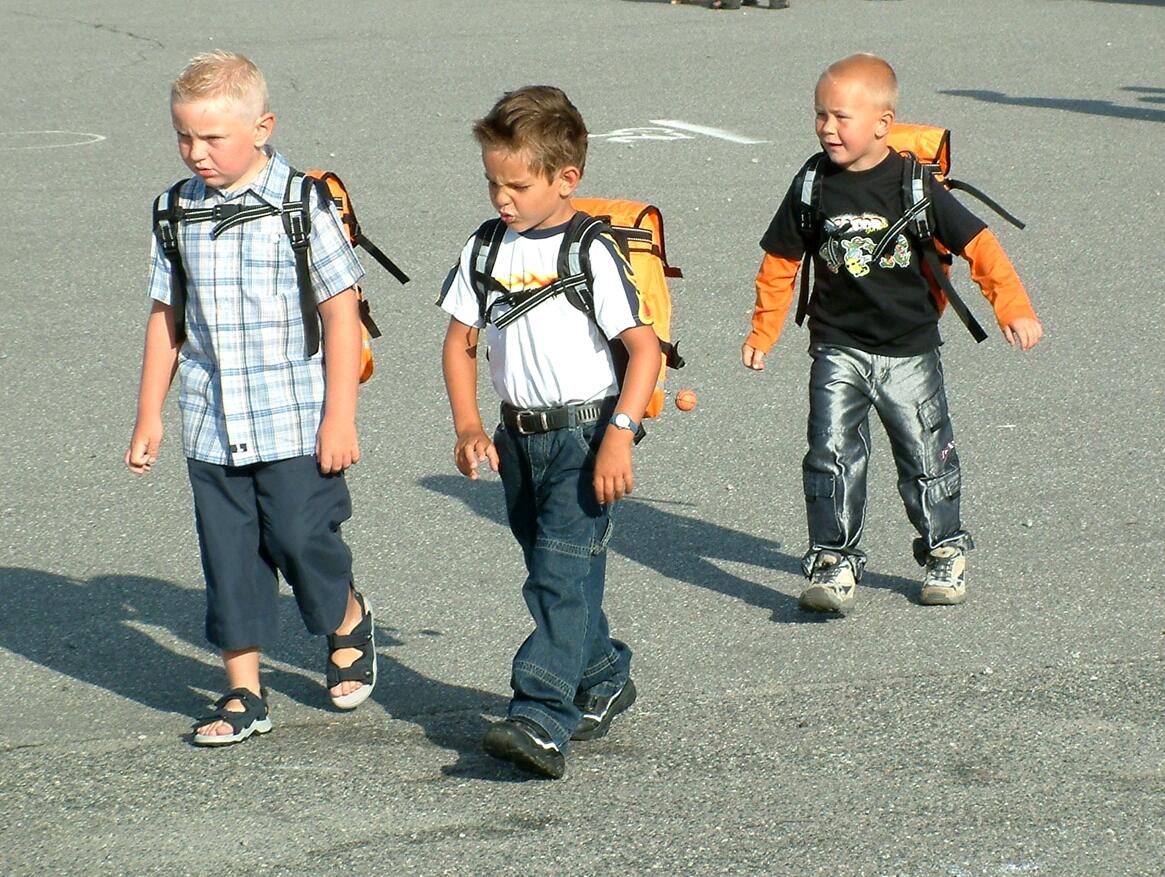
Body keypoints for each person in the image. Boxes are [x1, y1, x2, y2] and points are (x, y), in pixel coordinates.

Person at [125, 51, 377, 746]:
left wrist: (340, 415)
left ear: (262, 126)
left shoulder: (301, 204)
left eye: (213, 138)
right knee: (229, 558)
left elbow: (340, 310)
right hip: (211, 422)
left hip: (296, 420)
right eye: (184, 137)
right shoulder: (175, 210)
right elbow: (165, 319)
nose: (196, 153)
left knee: (300, 536)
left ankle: (346, 616)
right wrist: (149, 413)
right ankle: (243, 691)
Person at [741, 53, 1043, 612]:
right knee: (829, 454)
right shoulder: (811, 184)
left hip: (910, 352)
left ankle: (944, 551)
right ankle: (834, 562)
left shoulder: (914, 185)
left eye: (841, 117)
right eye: (819, 116)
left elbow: (979, 245)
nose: (827, 128)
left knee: (926, 456)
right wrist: (764, 332)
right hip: (838, 347)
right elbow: (780, 262)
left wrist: (1013, 308)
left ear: (883, 123)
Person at [438, 85, 658, 779]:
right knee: (555, 566)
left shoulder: (589, 249)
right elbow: (457, 341)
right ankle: (602, 671)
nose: (501, 198)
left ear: (566, 178)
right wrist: (469, 423)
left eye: (517, 184)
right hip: (516, 440)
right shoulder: (485, 247)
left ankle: (539, 713)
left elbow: (644, 348)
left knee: (558, 576)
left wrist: (620, 434)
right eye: (491, 182)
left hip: (584, 436)